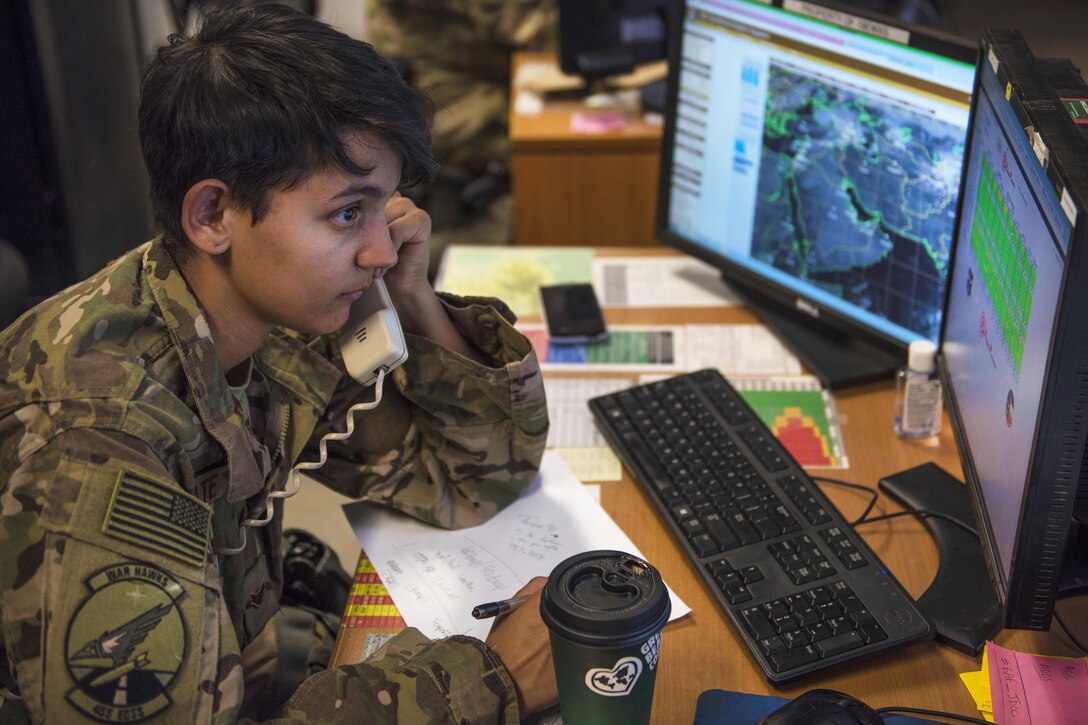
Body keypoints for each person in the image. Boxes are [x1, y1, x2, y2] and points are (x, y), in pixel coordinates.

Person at [0, 5, 556, 723]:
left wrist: (415, 299)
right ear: (212, 215)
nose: (382, 249)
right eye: (347, 214)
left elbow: (473, 479)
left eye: (384, 208)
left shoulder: (265, 317)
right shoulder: (95, 443)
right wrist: (493, 677)